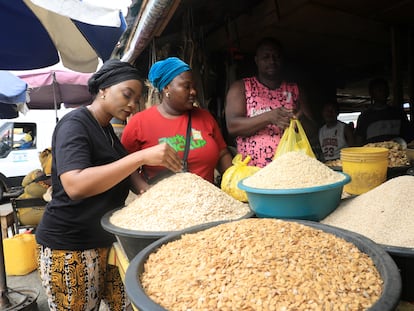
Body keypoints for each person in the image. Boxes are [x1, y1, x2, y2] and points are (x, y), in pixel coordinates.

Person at [35, 59, 183, 311]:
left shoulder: (108, 134)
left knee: (126, 304)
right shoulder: (75, 125)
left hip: (108, 243)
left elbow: (137, 183)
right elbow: (75, 185)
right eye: (128, 94)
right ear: (103, 89)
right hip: (70, 248)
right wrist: (141, 156)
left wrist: (172, 195)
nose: (133, 104)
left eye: (137, 99)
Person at [121, 57, 233, 190]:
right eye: (187, 86)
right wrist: (144, 190)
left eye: (194, 87)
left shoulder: (205, 117)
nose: (193, 92)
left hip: (207, 202)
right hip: (166, 205)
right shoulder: (139, 123)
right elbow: (125, 166)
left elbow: (222, 154)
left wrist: (232, 182)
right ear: (166, 87)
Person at [225, 37, 299, 168]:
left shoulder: (294, 90)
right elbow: (233, 126)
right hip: (252, 172)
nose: (272, 61)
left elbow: (313, 129)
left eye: (276, 56)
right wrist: (269, 117)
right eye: (266, 57)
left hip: (290, 169)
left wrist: (298, 120)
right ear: (256, 60)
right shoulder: (241, 87)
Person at [355, 77, 414, 145]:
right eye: (379, 90)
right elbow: (358, 141)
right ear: (371, 94)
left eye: (385, 90)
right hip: (373, 154)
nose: (383, 93)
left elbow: (408, 136)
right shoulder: (365, 117)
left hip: (396, 153)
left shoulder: (398, 113)